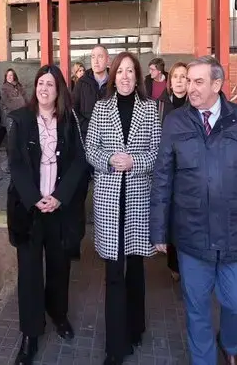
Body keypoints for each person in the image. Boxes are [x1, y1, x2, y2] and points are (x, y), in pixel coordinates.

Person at [150, 56, 237, 365]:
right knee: (197, 309)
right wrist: (158, 230)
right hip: (192, 235)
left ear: (217, 85)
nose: (189, 88)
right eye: (188, 81)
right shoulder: (175, 122)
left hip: (235, 236)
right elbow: (163, 177)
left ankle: (231, 345)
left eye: (197, 82)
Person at [6, 65, 89, 365]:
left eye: (50, 84)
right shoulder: (21, 120)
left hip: (58, 209)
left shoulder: (71, 122)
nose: (44, 88)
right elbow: (15, 164)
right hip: (29, 209)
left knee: (59, 267)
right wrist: (34, 199)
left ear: (59, 91)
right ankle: (30, 333)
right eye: (40, 83)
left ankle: (59, 315)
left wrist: (59, 198)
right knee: (29, 274)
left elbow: (80, 163)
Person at [85, 51, 161, 365]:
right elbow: (90, 148)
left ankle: (136, 326)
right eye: (121, 72)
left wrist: (135, 161)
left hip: (138, 199)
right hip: (108, 199)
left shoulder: (150, 109)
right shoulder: (101, 108)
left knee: (136, 270)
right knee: (114, 271)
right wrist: (108, 160)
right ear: (113, 76)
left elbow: (157, 152)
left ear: (138, 76)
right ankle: (115, 345)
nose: (126, 77)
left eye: (131, 71)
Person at [156, 61, 189, 280]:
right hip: (167, 167)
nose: (179, 80)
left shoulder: (195, 104)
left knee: (185, 217)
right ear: (170, 81)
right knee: (170, 216)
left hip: (188, 169)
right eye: (175, 76)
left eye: (183, 76)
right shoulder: (159, 104)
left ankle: (186, 262)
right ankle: (173, 263)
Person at [72, 45, 110, 138]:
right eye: (93, 57)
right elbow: (73, 108)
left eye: (100, 56)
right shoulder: (82, 83)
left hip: (111, 137)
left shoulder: (115, 82)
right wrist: (87, 126)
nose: (96, 61)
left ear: (108, 60)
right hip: (87, 135)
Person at [0, 68, 27, 160]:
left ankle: (19, 158)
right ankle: (10, 161)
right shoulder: (4, 87)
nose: (10, 77)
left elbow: (25, 98)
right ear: (6, 77)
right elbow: (7, 102)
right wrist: (20, 100)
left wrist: (19, 100)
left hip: (21, 115)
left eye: (11, 75)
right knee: (11, 139)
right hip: (10, 116)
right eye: (8, 75)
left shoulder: (19, 86)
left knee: (20, 138)